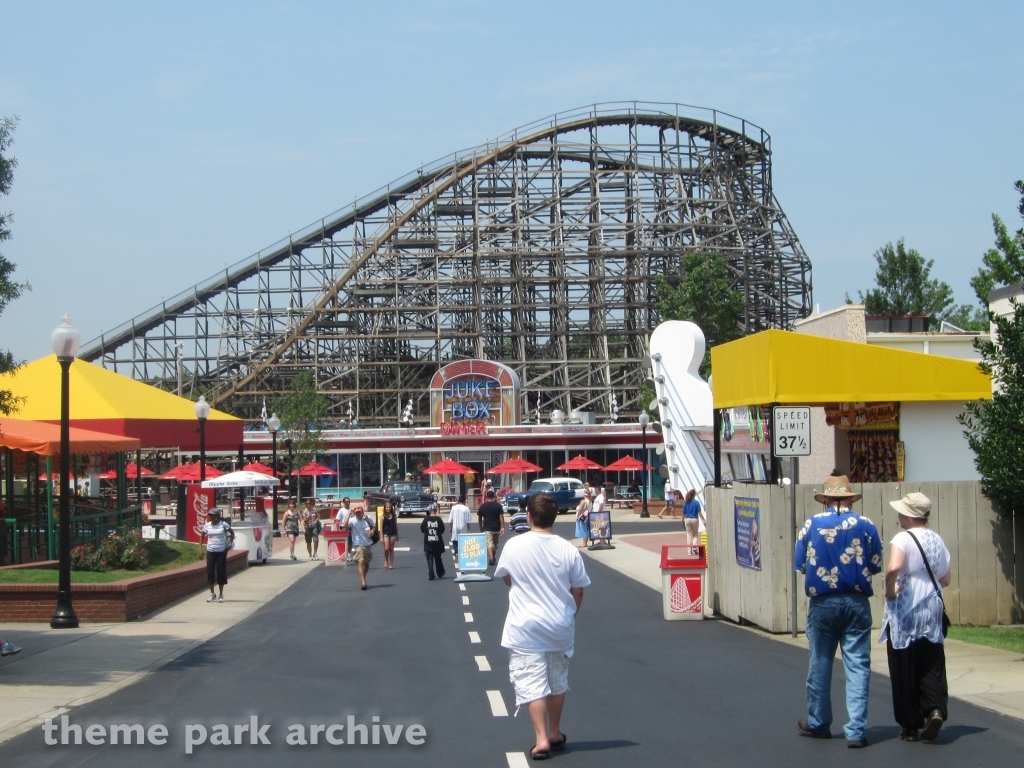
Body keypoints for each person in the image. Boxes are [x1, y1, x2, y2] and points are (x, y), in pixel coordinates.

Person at [494, 493, 591, 760]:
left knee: (531, 681)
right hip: (559, 623)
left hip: (525, 625)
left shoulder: (514, 546)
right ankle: (555, 731)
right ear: (554, 517)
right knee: (557, 680)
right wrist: (570, 615)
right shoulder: (568, 549)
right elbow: (578, 590)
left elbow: (507, 579)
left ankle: (540, 739)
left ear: (529, 516)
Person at [794, 474, 883, 748]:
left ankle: (819, 722)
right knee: (857, 664)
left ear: (827, 499)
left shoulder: (811, 524)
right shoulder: (866, 525)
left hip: (823, 603)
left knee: (820, 660)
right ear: (849, 498)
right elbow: (876, 563)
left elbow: (800, 565)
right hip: (856, 601)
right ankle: (856, 730)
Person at [880, 492, 951, 742]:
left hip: (907, 603)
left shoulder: (903, 537)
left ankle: (910, 724)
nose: (899, 516)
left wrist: (889, 590)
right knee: (930, 658)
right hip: (932, 603)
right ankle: (934, 708)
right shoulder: (936, 539)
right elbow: (946, 578)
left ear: (909, 516)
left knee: (904, 662)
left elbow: (893, 567)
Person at [202, 508, 235, 603]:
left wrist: (229, 545)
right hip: (210, 550)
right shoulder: (207, 525)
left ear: (217, 516)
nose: (210, 517)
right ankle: (212, 593)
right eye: (209, 515)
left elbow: (232, 533)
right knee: (210, 571)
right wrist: (200, 549)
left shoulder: (223, 525)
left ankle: (221, 594)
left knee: (221, 572)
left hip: (221, 551)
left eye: (211, 515)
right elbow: (202, 535)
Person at [347, 506, 377, 590]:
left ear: (362, 511)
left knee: (366, 563)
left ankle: (363, 577)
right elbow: (344, 525)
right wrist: (349, 514)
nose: (358, 513)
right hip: (357, 544)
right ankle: (363, 581)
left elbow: (374, 526)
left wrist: (372, 531)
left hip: (367, 543)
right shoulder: (352, 520)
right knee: (360, 562)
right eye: (356, 512)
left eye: (359, 512)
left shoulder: (368, 518)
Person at [477, 489, 505, 565]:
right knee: (495, 544)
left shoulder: (483, 506)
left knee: (489, 543)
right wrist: (502, 526)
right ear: (493, 496)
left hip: (487, 527)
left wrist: (480, 526)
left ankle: (491, 557)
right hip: (496, 527)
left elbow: (479, 517)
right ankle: (492, 557)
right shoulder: (498, 506)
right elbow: (501, 516)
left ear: (486, 496)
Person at [420, 506, 446, 579]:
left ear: (429, 510)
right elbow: (442, 530)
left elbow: (422, 529)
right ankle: (440, 572)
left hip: (428, 541)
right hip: (437, 541)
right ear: (436, 510)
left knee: (429, 558)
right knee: (438, 557)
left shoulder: (425, 519)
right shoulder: (439, 519)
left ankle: (431, 573)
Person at [381, 501, 399, 569]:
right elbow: (381, 528)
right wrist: (381, 537)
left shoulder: (394, 516)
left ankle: (391, 564)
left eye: (389, 507)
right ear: (385, 508)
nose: (388, 508)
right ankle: (386, 560)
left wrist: (397, 535)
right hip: (386, 534)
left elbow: (396, 526)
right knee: (386, 549)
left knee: (391, 549)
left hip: (393, 534)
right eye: (387, 507)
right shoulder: (383, 517)